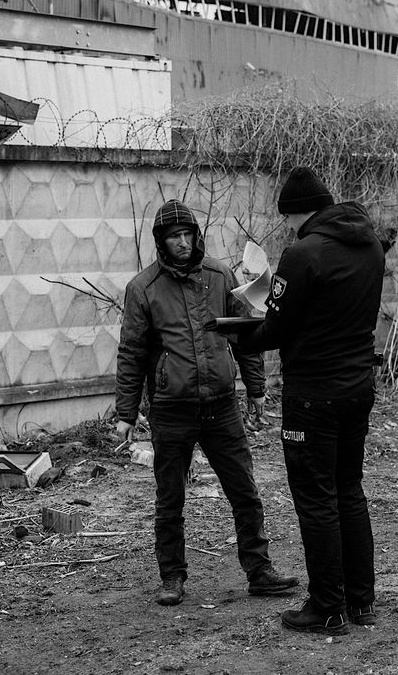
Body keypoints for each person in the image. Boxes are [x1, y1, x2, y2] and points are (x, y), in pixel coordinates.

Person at [114, 199, 298, 606]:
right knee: (170, 497)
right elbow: (131, 352)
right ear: (161, 243)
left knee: (244, 490)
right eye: (174, 237)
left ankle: (259, 570)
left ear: (197, 236)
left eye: (188, 234)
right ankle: (172, 577)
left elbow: (245, 334)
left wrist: (256, 390)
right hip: (171, 408)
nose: (183, 242)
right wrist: (126, 414)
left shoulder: (218, 275)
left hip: (220, 406)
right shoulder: (142, 289)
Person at [238, 166, 386, 635]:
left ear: (296, 213)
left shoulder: (301, 253)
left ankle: (326, 607)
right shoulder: (372, 246)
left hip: (312, 395)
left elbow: (278, 328)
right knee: (349, 490)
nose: (286, 226)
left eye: (286, 218)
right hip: (357, 388)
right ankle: (361, 601)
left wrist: (239, 336)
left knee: (316, 499)